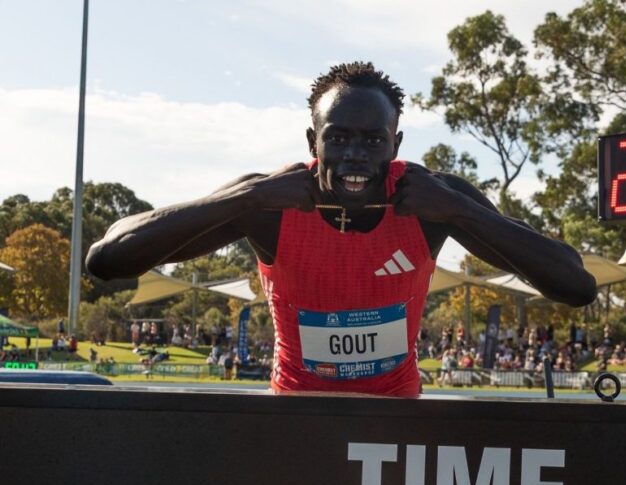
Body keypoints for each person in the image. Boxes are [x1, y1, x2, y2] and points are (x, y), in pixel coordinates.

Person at [86, 61, 596, 397]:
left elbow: (576, 285)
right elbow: (107, 259)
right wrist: (248, 198)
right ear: (314, 141)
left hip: (397, 422)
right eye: (339, 138)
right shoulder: (267, 203)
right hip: (295, 419)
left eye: (373, 141)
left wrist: (461, 211)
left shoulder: (433, 202)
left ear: (396, 144)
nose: (355, 156)